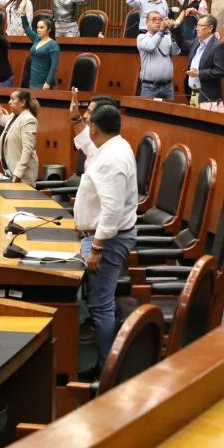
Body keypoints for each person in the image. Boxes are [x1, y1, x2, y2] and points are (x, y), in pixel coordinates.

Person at [73, 103, 138, 374]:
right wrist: (75, 119)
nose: (87, 127)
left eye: (88, 122)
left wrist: (97, 247)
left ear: (96, 128)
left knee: (101, 305)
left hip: (108, 241)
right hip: (105, 237)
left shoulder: (112, 159)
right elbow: (86, 146)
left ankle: (106, 370)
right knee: (100, 302)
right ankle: (106, 364)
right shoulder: (112, 146)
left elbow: (111, 209)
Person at [0, 86, 39, 184]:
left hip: (22, 178)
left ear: (23, 102)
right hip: (10, 173)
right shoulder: (13, 117)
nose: (9, 102)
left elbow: (27, 150)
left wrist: (17, 175)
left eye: (12, 99)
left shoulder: (28, 119)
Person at [136, 10, 186, 100]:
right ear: (147, 23)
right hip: (150, 87)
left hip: (168, 86)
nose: (158, 21)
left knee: (168, 114)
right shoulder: (142, 37)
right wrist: (161, 31)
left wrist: (172, 33)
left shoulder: (166, 37)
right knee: (148, 113)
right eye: (154, 19)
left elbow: (176, 52)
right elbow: (151, 46)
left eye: (160, 19)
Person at [186, 14, 224, 111]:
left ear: (210, 28)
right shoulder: (196, 43)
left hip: (208, 96)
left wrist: (199, 73)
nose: (197, 28)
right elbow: (182, 42)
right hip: (194, 92)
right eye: (197, 25)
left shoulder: (217, 46)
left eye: (200, 25)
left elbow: (220, 71)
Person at [21, 15, 59, 89]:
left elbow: (54, 66)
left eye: (41, 28)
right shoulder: (36, 39)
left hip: (44, 83)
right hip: (32, 81)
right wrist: (23, 16)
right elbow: (26, 28)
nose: (38, 30)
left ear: (49, 29)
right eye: (38, 27)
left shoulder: (53, 44)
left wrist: (48, 82)